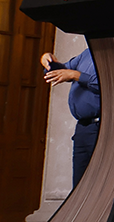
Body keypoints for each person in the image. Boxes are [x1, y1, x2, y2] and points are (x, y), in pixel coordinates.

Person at [41, 48, 100, 187]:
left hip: (100, 127)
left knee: (99, 182)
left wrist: (76, 75)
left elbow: (108, 84)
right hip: (82, 128)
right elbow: (61, 71)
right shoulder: (87, 53)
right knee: (79, 185)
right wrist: (48, 61)